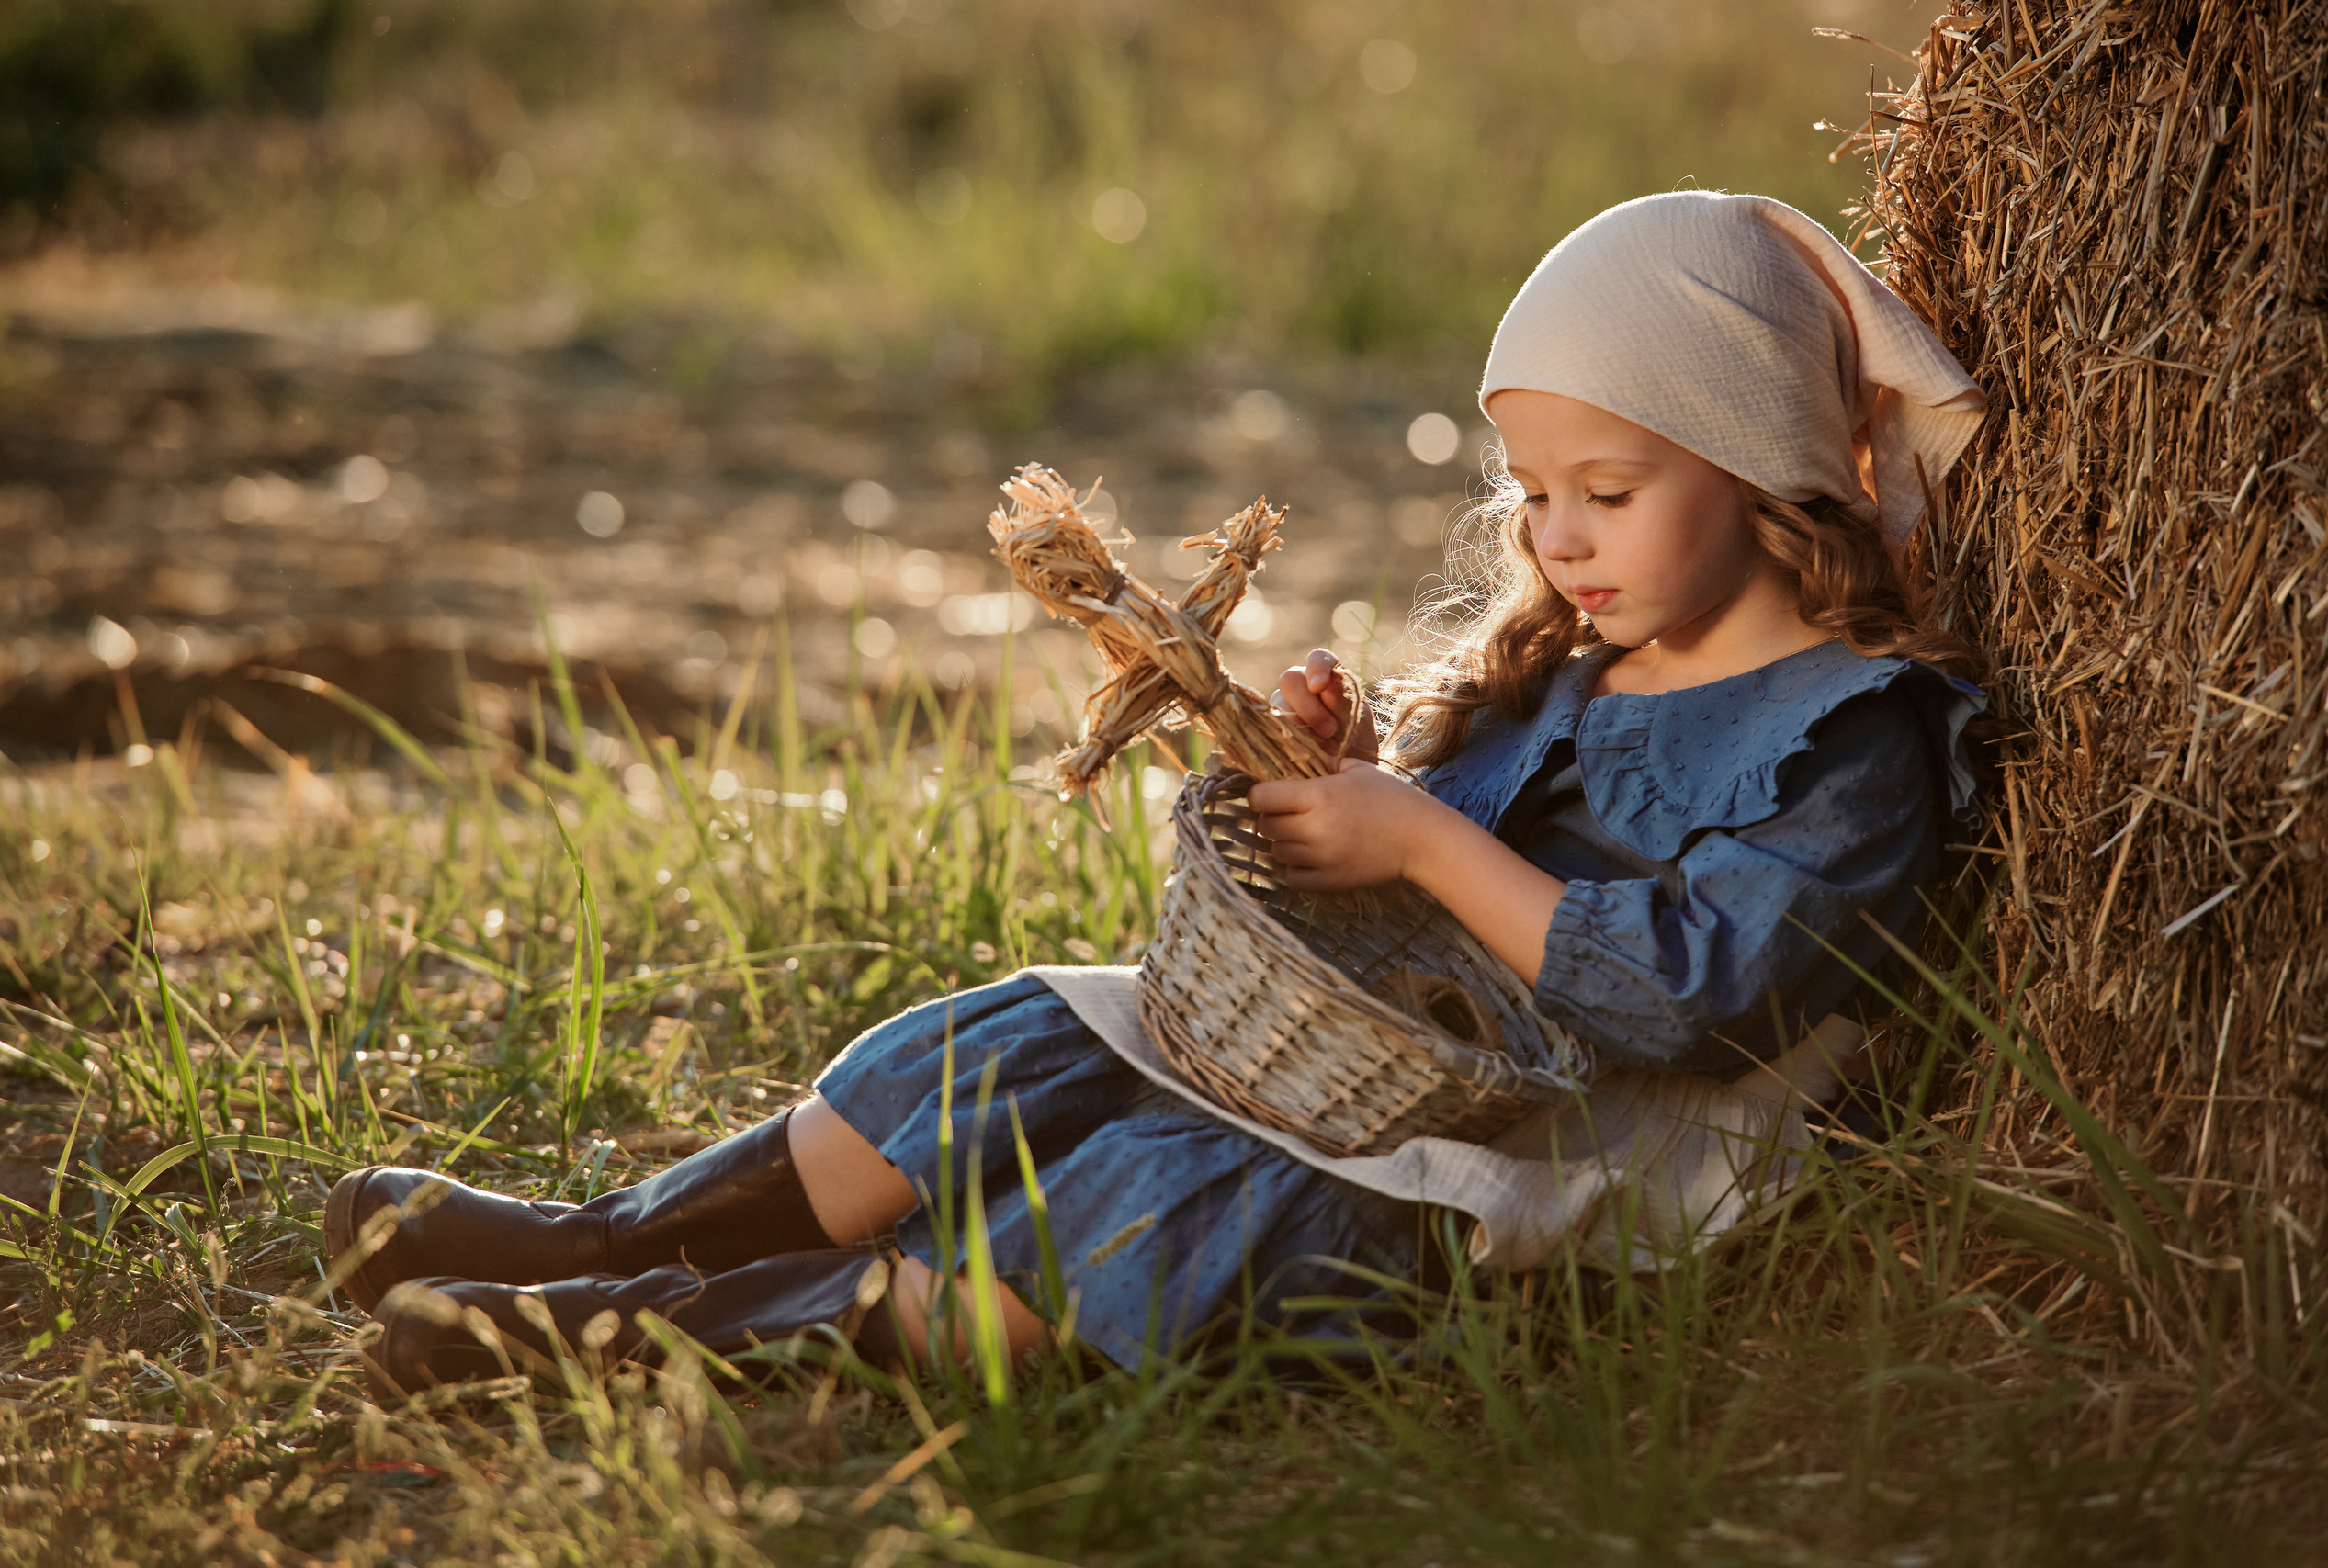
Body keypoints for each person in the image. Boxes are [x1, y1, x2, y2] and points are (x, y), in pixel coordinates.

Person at [331, 190, 1990, 1397]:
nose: (1554, 538)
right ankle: (610, 1238)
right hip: (1402, 1067)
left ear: (1761, 457)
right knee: (1011, 1042)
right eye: (1533, 490)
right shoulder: (1580, 660)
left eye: (1607, 491)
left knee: (1164, 1201)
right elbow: (1434, 887)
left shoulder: (1854, 736)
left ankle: (673, 1333)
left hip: (1594, 1160)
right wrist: (1346, 781)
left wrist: (1414, 839)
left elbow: (1704, 994)